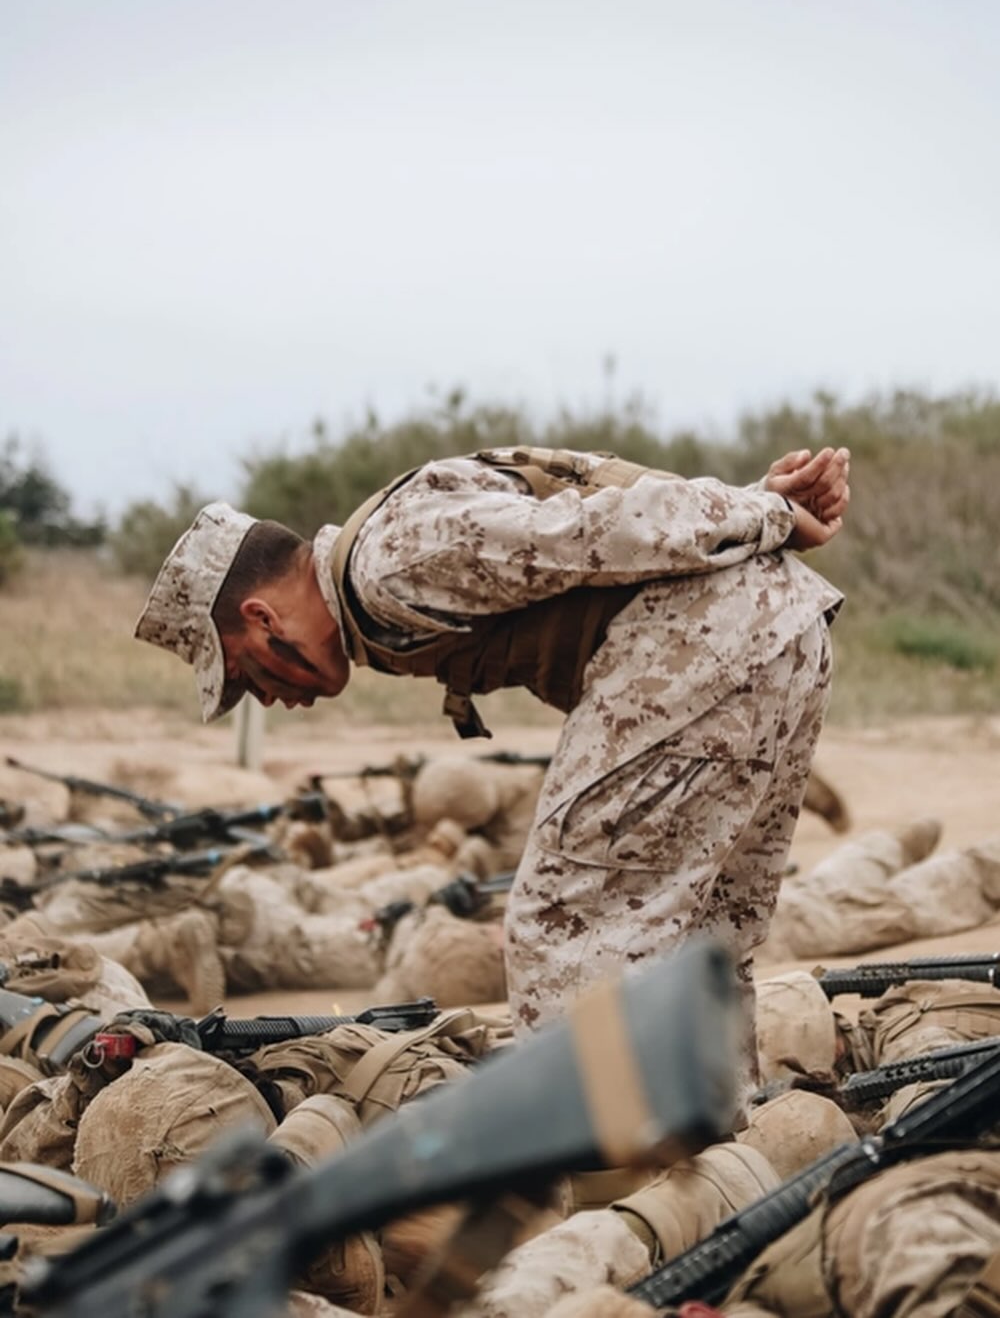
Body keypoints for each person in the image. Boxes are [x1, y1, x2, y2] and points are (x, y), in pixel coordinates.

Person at [135, 442, 849, 1109]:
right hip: (777, 635)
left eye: (245, 672)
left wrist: (767, 512)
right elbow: (591, 507)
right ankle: (723, 1159)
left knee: (560, 931)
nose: (268, 699)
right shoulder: (381, 565)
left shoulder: (386, 563)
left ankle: (609, 1180)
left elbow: (593, 531)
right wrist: (762, 506)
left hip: (704, 647)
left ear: (261, 618)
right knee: (709, 932)